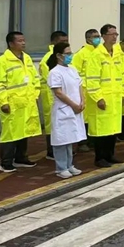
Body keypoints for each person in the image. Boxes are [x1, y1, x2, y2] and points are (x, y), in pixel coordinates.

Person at [0, 32, 41, 173]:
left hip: (27, 101)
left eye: (24, 40)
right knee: (10, 133)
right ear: (11, 44)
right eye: (19, 41)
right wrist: (3, 102)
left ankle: (21, 158)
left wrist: (35, 95)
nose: (23, 43)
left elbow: (35, 78)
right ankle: (6, 162)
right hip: (11, 103)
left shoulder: (27, 58)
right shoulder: (1, 62)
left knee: (24, 130)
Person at [85, 24, 124, 168]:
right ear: (103, 36)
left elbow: (122, 75)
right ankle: (100, 157)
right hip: (102, 98)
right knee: (101, 130)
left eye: (116, 34)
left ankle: (110, 155)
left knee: (113, 129)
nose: (114, 37)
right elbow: (92, 79)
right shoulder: (96, 55)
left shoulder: (117, 53)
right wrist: (98, 98)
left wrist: (123, 93)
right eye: (111, 34)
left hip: (115, 97)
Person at [46, 42, 86, 179]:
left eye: (70, 53)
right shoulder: (54, 72)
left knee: (70, 138)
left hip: (75, 109)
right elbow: (58, 92)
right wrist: (73, 105)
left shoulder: (72, 69)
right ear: (59, 55)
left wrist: (82, 101)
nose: (70, 56)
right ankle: (61, 167)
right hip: (63, 109)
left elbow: (80, 86)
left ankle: (69, 165)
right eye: (67, 54)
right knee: (61, 140)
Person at [39, 30, 69, 161]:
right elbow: (52, 80)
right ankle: (51, 151)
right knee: (52, 124)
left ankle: (62, 149)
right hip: (52, 96)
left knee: (63, 123)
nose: (65, 43)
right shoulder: (48, 59)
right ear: (53, 42)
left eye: (66, 41)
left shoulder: (64, 57)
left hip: (63, 95)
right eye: (62, 41)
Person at [71, 28, 101, 152]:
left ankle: (93, 140)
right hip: (83, 90)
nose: (98, 39)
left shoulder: (100, 52)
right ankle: (83, 142)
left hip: (95, 90)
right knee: (84, 117)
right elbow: (75, 72)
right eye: (95, 36)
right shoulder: (81, 54)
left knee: (94, 116)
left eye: (98, 36)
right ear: (88, 39)